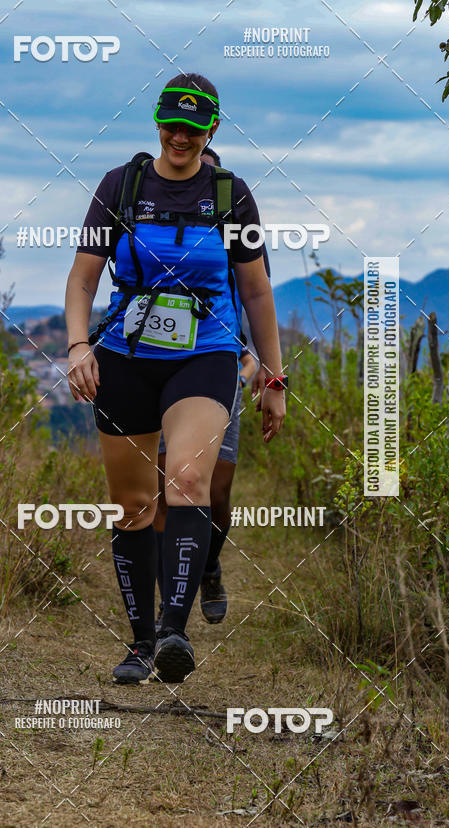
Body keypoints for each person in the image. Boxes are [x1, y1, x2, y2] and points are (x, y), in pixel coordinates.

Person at [65, 73, 286, 685]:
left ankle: (173, 633)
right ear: (157, 123)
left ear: (212, 128)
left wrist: (272, 379)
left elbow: (258, 291)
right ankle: (139, 642)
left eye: (194, 126)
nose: (181, 135)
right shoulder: (121, 186)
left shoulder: (231, 195)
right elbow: (82, 278)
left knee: (188, 478)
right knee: (134, 504)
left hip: (206, 354)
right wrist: (80, 345)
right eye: (172, 124)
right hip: (126, 356)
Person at [153, 145, 261, 628]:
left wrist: (257, 363)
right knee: (167, 488)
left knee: (215, 492)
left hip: (222, 365)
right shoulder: (158, 223)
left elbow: (258, 298)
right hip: (159, 366)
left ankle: (210, 562)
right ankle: (167, 608)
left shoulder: (235, 223)